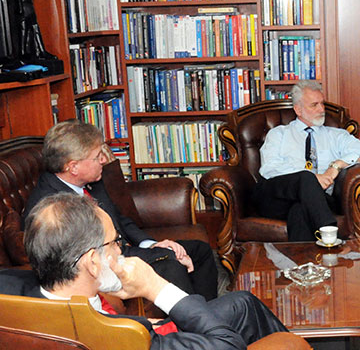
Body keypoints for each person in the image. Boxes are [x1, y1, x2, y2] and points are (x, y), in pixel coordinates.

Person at [10, 193, 360, 350]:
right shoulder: (121, 341)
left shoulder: (17, 294)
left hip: (139, 349)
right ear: (93, 263)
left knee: (242, 304)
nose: (122, 251)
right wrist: (156, 287)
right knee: (233, 329)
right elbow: (228, 346)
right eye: (114, 244)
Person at [25, 120, 219, 301]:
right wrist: (159, 253)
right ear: (73, 167)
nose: (103, 160)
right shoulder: (52, 207)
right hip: (102, 262)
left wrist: (151, 244)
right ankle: (192, 322)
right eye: (96, 157)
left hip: (121, 248)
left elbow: (120, 218)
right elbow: (85, 259)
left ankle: (209, 312)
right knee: (171, 261)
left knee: (200, 250)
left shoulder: (90, 181)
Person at [253, 80, 360, 242]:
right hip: (276, 199)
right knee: (306, 178)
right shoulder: (279, 134)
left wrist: (336, 166)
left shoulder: (335, 135)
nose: (322, 109)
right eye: (314, 105)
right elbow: (269, 168)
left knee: (300, 211)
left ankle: (304, 257)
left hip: (318, 201)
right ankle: (331, 236)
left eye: (322, 103)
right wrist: (312, 179)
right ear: (298, 109)